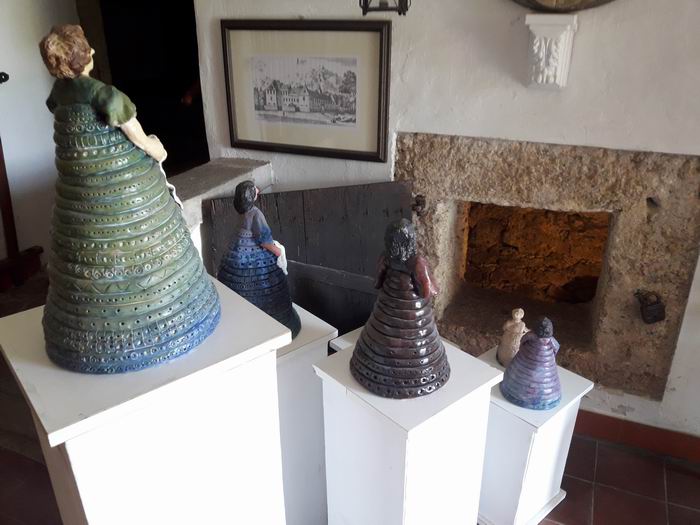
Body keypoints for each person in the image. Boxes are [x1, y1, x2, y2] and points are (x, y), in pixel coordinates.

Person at [39, 25, 220, 373]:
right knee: (140, 250)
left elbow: (55, 110)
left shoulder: (60, 93)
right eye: (88, 49)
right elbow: (134, 131)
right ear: (82, 58)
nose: (93, 52)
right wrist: (157, 149)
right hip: (121, 188)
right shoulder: (103, 94)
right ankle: (155, 333)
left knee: (89, 251)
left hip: (80, 191)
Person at [350, 219, 450, 398]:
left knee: (380, 339)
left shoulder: (386, 257)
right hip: (415, 323)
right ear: (411, 239)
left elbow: (377, 282)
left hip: (387, 312)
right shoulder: (417, 262)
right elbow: (427, 290)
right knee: (420, 349)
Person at [217, 181, 301, 338]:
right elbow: (264, 241)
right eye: (254, 188)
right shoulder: (256, 213)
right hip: (255, 259)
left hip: (235, 254)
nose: (257, 189)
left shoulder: (241, 213)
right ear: (251, 195)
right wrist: (279, 252)